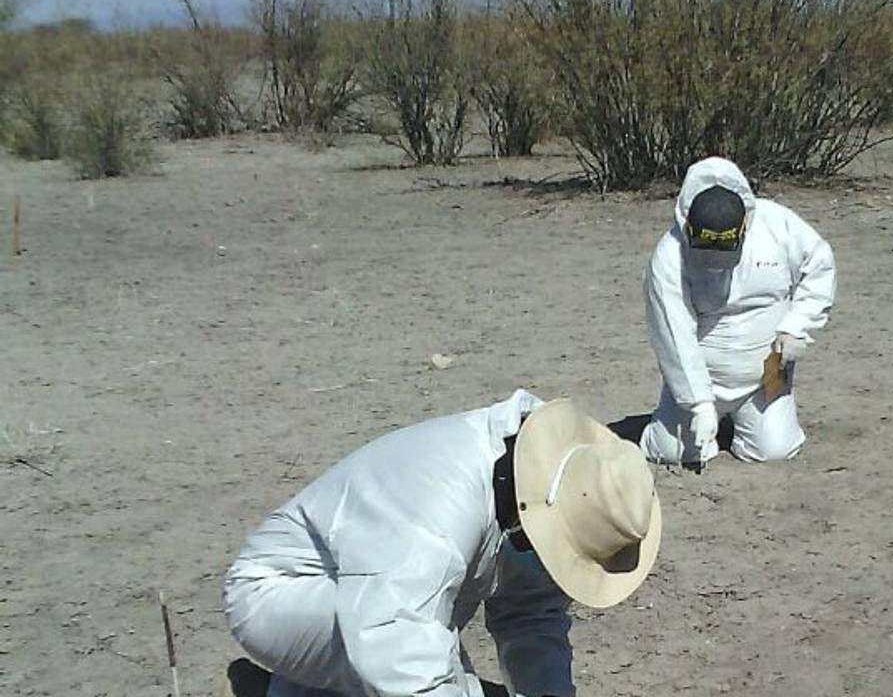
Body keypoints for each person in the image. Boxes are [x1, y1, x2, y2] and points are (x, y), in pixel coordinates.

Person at [222, 391, 662, 697]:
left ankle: (294, 687)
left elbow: (531, 615)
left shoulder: (551, 484)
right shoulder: (438, 510)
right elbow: (397, 645)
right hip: (279, 592)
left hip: (367, 589)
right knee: (421, 666)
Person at [641, 156, 835, 466]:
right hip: (703, 379)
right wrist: (699, 402)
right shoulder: (669, 256)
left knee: (774, 451)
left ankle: (755, 416)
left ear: (744, 227)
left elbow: (820, 265)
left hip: (767, 374)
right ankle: (687, 415)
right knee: (671, 453)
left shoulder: (779, 226)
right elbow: (672, 333)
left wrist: (797, 326)